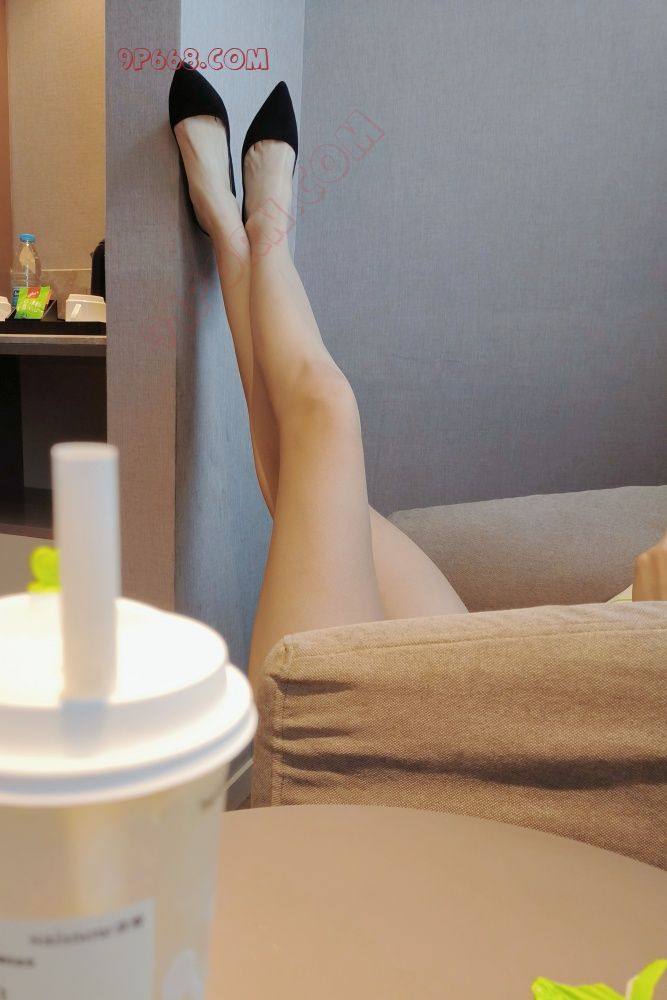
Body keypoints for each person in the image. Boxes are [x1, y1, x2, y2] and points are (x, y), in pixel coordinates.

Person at [169, 67, 667, 691]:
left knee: (327, 411)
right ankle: (236, 232)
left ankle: (250, 229)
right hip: (526, 671)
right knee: (303, 482)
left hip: (526, 715)